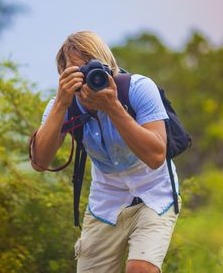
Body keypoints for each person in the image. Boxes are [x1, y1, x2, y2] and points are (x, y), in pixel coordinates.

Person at [30, 31, 180, 273]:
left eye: (94, 69)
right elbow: (39, 162)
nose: (89, 79)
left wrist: (113, 107)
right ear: (64, 73)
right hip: (106, 201)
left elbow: (156, 157)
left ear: (109, 67)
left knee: (140, 269)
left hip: (154, 192)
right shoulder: (62, 104)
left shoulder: (139, 89)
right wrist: (61, 102)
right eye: (79, 71)